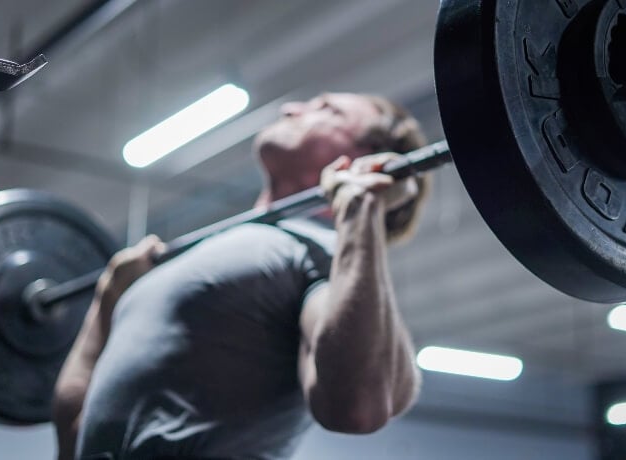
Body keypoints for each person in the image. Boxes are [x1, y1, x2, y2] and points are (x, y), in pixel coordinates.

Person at [52, 92, 432, 459]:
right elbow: (73, 429)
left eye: (327, 109)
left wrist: (360, 207)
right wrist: (109, 299)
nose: (290, 108)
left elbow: (358, 406)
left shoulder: (321, 252)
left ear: (366, 157)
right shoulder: (208, 252)